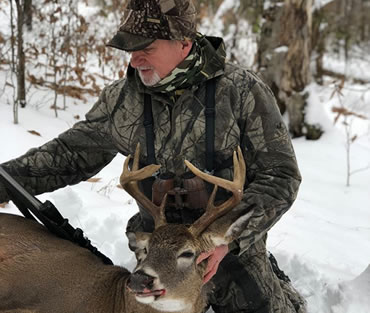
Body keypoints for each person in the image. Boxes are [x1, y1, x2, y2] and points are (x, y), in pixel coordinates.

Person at [0, 0, 307, 312]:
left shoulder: (241, 91)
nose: (134, 60)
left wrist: (233, 240)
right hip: (158, 250)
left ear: (184, 42)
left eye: (145, 47)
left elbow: (281, 176)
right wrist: (3, 182)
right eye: (130, 49)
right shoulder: (123, 100)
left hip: (225, 247)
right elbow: (68, 154)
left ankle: (274, 280)